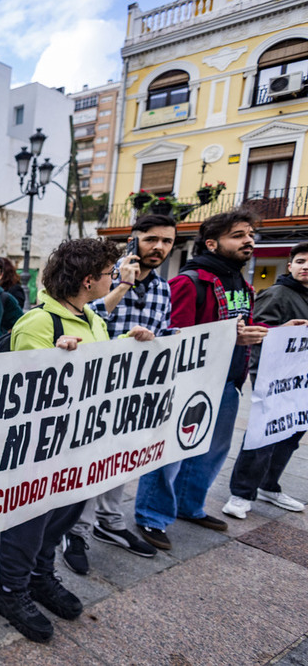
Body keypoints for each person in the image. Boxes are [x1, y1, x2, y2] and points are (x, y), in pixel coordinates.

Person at [0, 238, 153, 643]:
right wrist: (54, 360)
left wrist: (129, 345)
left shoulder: (92, 319)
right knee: (29, 520)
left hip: (79, 446)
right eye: (106, 275)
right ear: (86, 280)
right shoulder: (38, 323)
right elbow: (23, 390)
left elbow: (99, 368)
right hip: (40, 452)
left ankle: (41, 576)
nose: (111, 279)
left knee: (63, 514)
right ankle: (10, 590)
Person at [134, 209, 279, 551]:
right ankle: (151, 516)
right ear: (212, 243)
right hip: (190, 384)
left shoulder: (241, 283)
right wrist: (233, 338)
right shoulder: (189, 281)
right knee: (171, 452)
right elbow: (178, 336)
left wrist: (276, 332)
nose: (249, 240)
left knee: (212, 451)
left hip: (228, 381)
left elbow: (244, 328)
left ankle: (189, 506)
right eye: (239, 235)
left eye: (250, 234)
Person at [61, 215, 177, 573]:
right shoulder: (105, 282)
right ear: (134, 240)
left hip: (138, 393)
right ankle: (75, 532)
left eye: (167, 241)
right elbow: (85, 315)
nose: (159, 247)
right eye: (151, 239)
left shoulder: (163, 289)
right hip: (97, 393)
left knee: (123, 458)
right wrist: (123, 285)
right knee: (88, 460)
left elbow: (167, 332)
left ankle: (110, 523)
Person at [222, 242, 308, 519]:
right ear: (291, 265)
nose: (306, 266)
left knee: (290, 435)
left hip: (301, 383)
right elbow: (254, 331)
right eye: (301, 261)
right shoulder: (278, 294)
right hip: (275, 380)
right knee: (263, 436)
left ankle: (269, 486)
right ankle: (241, 493)